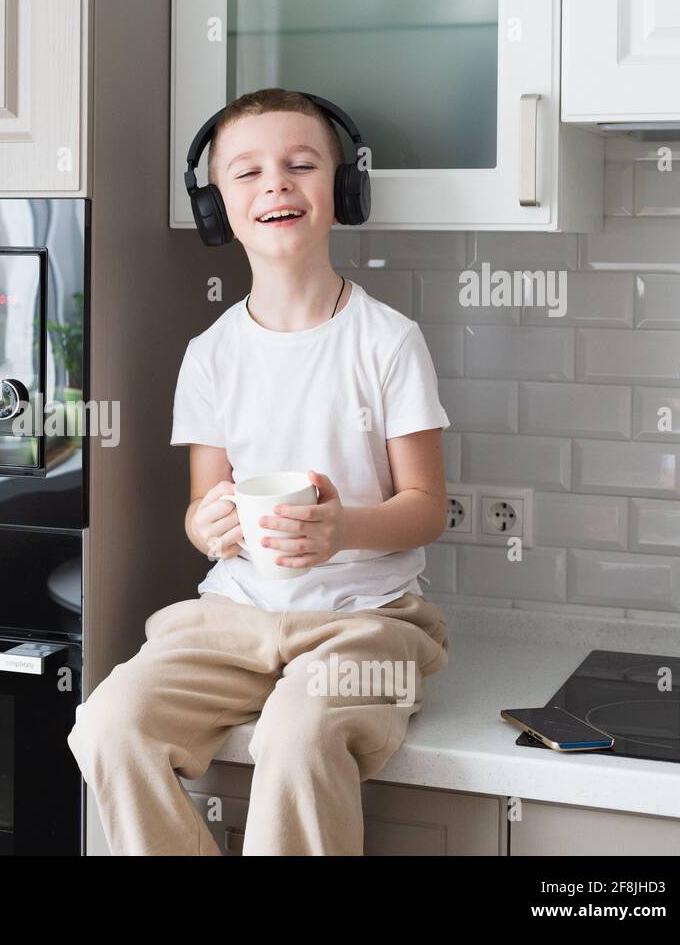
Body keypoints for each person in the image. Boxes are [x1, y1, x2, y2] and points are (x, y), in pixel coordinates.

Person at [68, 88, 452, 855]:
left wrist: (343, 529)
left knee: (299, 734)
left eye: (301, 165)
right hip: (232, 615)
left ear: (343, 191)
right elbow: (201, 510)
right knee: (108, 724)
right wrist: (207, 525)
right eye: (247, 173)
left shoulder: (389, 341)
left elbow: (427, 507)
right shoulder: (210, 355)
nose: (275, 183)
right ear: (217, 210)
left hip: (368, 620)